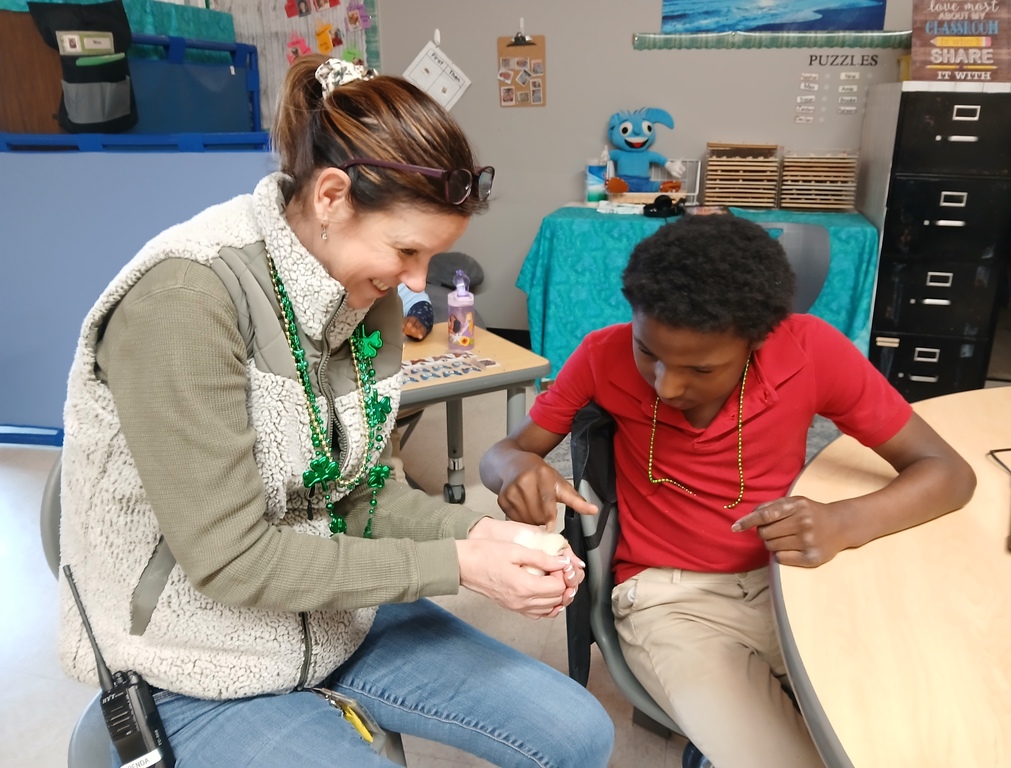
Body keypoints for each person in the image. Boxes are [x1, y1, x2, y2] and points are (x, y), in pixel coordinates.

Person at [57, 54, 613, 767]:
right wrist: (459, 565)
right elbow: (231, 562)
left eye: (432, 260)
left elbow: (363, 492)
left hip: (332, 618)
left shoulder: (364, 293)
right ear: (330, 196)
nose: (417, 286)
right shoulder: (185, 299)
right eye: (406, 251)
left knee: (581, 734)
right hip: (191, 661)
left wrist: (485, 536)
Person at [480, 213, 977, 768]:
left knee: (915, 727)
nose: (666, 385)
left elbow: (949, 473)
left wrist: (843, 522)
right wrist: (516, 469)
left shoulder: (810, 350)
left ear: (758, 340)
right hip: (668, 601)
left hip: (790, 580)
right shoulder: (603, 354)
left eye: (700, 367)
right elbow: (502, 452)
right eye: (650, 352)